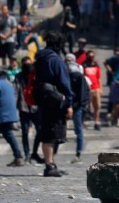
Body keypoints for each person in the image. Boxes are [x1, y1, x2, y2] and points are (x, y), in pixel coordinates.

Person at [34, 32, 73, 177]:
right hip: (56, 100)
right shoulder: (55, 60)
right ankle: (49, 165)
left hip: (44, 99)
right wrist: (69, 103)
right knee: (52, 133)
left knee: (48, 131)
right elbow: (64, 82)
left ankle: (51, 163)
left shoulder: (41, 58)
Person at [14, 57, 44, 164]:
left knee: (40, 130)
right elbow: (16, 91)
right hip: (24, 107)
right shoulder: (18, 77)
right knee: (25, 132)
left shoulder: (36, 75)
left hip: (35, 107)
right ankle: (27, 154)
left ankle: (34, 152)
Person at [67, 55, 89, 163]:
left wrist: (79, 106)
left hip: (77, 107)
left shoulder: (79, 76)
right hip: (67, 106)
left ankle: (78, 152)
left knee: (78, 130)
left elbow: (83, 93)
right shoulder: (65, 74)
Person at [83, 51, 102, 130]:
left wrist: (100, 88)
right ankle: (83, 122)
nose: (91, 58)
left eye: (92, 57)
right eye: (90, 56)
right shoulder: (84, 66)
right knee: (86, 106)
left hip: (96, 87)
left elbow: (99, 78)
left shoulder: (96, 65)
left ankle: (96, 122)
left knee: (97, 106)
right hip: (88, 88)